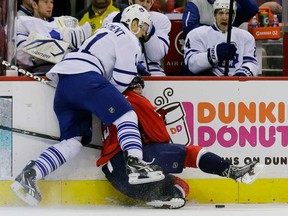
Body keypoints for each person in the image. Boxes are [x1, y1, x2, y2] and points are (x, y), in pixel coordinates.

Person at [10, 4, 165, 206]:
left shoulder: (104, 30)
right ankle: (135, 164)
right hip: (86, 78)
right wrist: (107, 101)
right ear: (134, 23)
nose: (144, 34)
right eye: (143, 27)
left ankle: (30, 174)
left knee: (74, 140)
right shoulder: (129, 38)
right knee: (127, 115)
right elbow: (121, 81)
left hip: (65, 83)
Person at [97, 75, 265, 209]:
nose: (141, 90)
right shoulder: (133, 99)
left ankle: (172, 196)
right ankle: (232, 171)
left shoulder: (109, 103)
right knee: (190, 153)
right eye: (139, 85)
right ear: (133, 86)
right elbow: (161, 136)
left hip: (118, 180)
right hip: (129, 165)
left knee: (176, 184)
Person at [183, 0, 259, 76]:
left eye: (228, 13)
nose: (224, 18)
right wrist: (214, 54)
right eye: (221, 13)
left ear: (233, 16)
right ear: (214, 15)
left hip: (237, 86)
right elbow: (191, 65)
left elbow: (251, 63)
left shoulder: (246, 37)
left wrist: (242, 74)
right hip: (207, 85)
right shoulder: (197, 34)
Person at [103, 0, 171, 76]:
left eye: (148, 1)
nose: (144, 5)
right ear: (131, 1)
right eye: (141, 0)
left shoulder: (161, 20)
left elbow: (156, 56)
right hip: (121, 69)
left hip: (152, 72)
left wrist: (148, 32)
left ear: (152, 3)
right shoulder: (112, 18)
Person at [182, 0, 259, 35]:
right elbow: (189, 28)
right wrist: (218, 33)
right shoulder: (196, 3)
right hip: (202, 52)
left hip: (227, 57)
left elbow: (252, 8)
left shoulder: (230, 4)